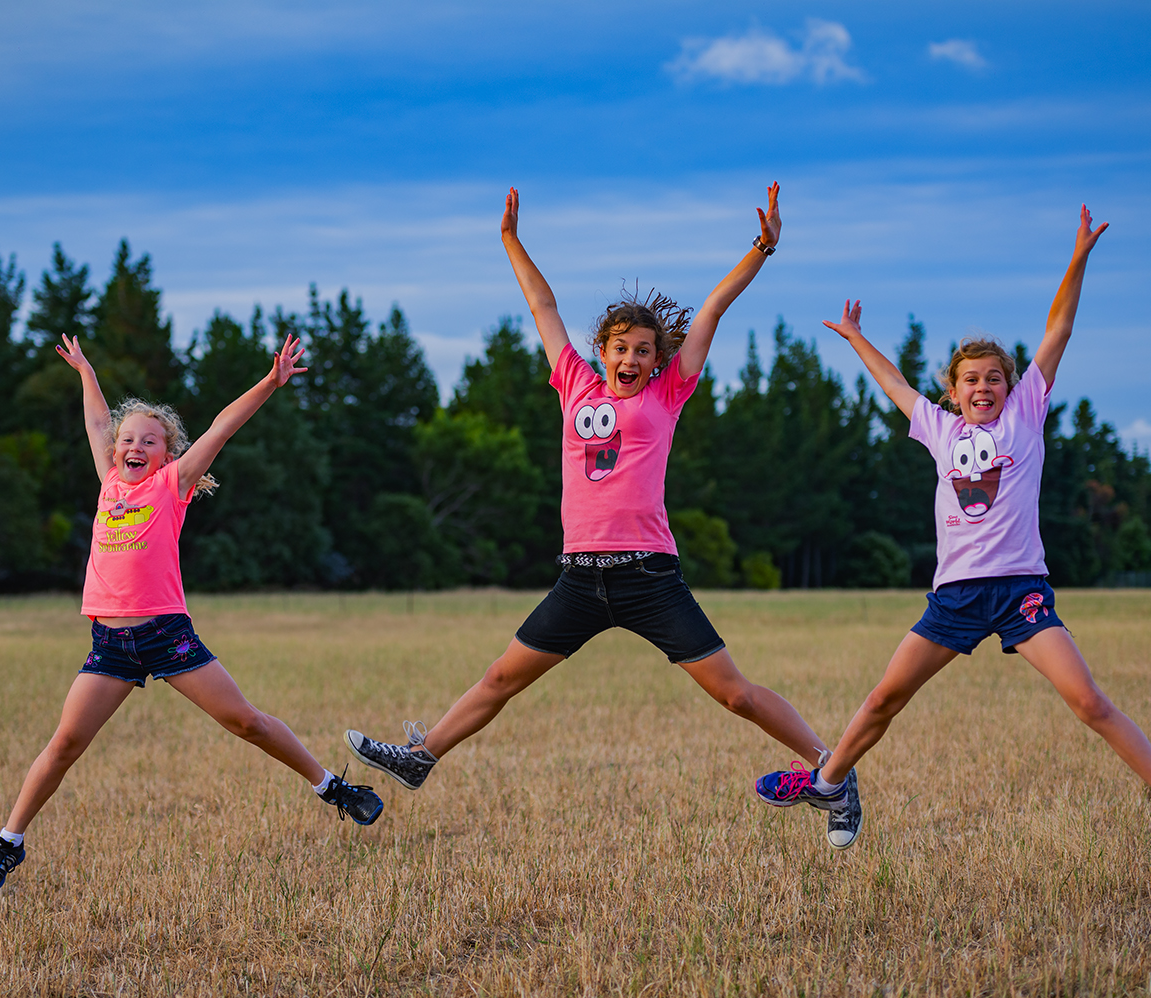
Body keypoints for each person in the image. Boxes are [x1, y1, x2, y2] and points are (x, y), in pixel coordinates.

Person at [346, 185, 859, 847]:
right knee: (500, 677)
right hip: (580, 580)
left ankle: (832, 771)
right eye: (620, 348)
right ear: (603, 350)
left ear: (657, 359)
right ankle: (420, 758)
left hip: (649, 578)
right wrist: (510, 241)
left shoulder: (669, 393)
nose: (631, 359)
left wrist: (761, 248)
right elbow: (543, 304)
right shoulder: (574, 383)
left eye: (643, 350)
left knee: (734, 694)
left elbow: (712, 308)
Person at [755, 206, 1151, 876]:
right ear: (953, 392)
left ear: (1011, 387)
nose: (983, 387)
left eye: (994, 378)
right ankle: (829, 781)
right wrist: (856, 338)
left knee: (1088, 701)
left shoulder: (1025, 415)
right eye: (971, 380)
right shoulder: (940, 429)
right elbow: (894, 384)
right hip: (954, 597)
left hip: (1019, 592)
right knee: (884, 698)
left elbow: (1058, 329)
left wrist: (1078, 258)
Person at [0, 334, 383, 893]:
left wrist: (271, 382)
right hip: (110, 647)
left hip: (167, 637)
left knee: (246, 722)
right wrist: (87, 372)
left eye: (149, 441)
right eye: (127, 440)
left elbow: (222, 428)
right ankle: (7, 844)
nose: (134, 446)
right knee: (64, 744)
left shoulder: (170, 485)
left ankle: (333, 787)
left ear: (166, 455)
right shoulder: (109, 484)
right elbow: (97, 422)